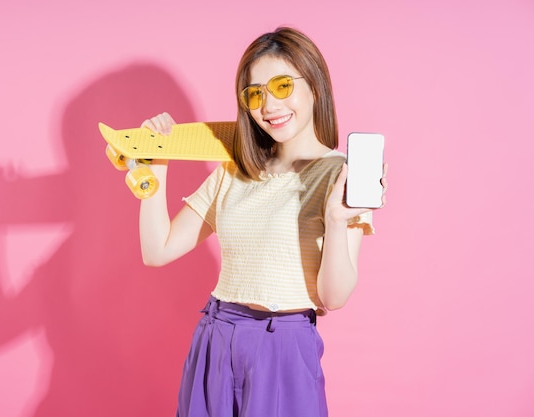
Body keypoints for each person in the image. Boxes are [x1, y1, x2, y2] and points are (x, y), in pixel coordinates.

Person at [134, 26, 387, 417]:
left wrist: (337, 220)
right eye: (255, 94)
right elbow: (157, 250)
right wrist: (157, 166)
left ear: (315, 86)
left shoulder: (339, 175)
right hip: (215, 335)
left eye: (283, 86)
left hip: (283, 345)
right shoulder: (236, 169)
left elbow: (333, 298)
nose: (268, 105)